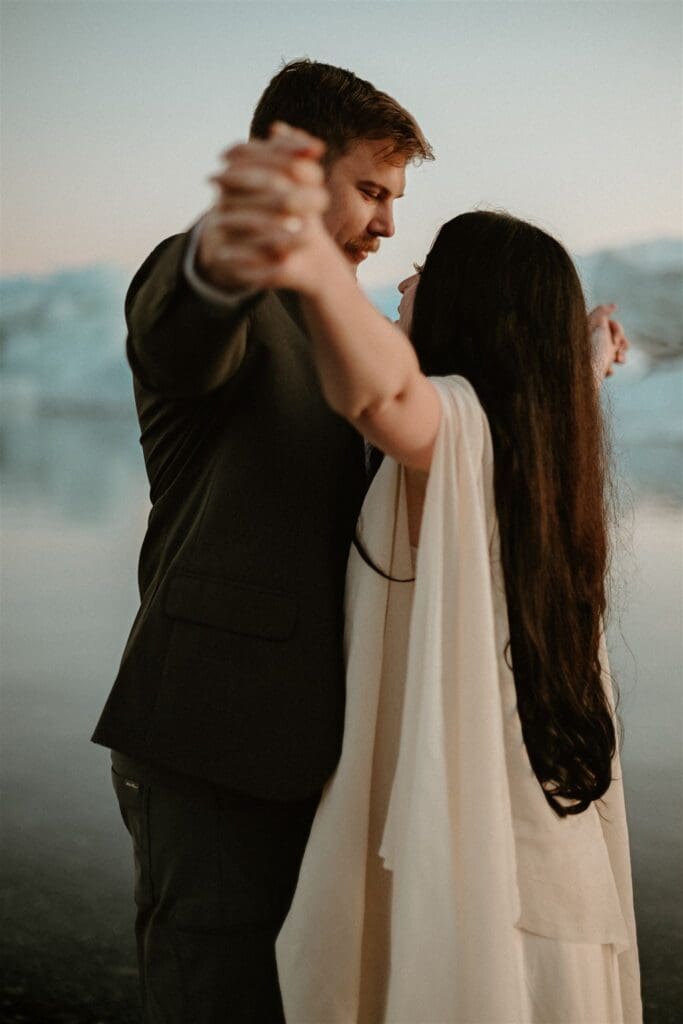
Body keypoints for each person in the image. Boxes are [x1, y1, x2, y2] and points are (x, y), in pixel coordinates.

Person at [217, 125, 642, 1022]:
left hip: (479, 849)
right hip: (545, 833)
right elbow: (553, 374)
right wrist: (588, 350)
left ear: (470, 310)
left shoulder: (455, 424)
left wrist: (305, 248)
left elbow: (377, 396)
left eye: (430, 272)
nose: (406, 279)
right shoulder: (543, 434)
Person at [91, 59, 432, 1023]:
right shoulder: (208, 281)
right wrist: (218, 254)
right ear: (299, 168)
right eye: (369, 190)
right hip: (213, 740)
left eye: (394, 197)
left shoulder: (355, 334)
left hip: (335, 755)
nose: (387, 223)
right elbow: (177, 331)